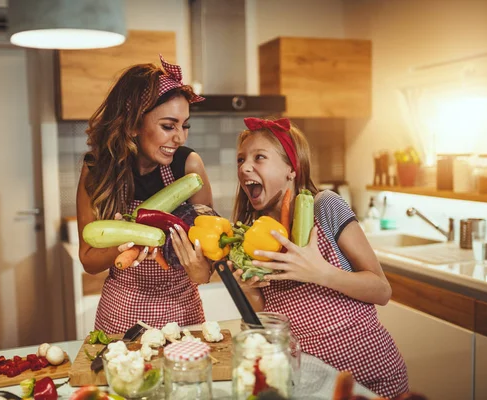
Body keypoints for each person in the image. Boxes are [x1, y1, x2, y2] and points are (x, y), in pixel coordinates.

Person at [230, 117, 409, 398]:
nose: (244, 167)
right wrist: (248, 291)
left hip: (373, 377)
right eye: (241, 159)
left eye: (259, 157)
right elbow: (266, 325)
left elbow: (382, 290)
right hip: (311, 382)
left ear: (292, 168)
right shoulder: (251, 235)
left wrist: (320, 273)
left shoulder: (324, 207)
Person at [77, 55, 214, 334]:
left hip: (182, 313)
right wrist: (126, 240)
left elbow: (207, 265)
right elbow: (88, 260)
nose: (180, 138)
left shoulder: (188, 168)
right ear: (133, 124)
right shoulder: (97, 171)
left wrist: (200, 268)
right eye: (168, 126)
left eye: (184, 125)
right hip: (120, 312)